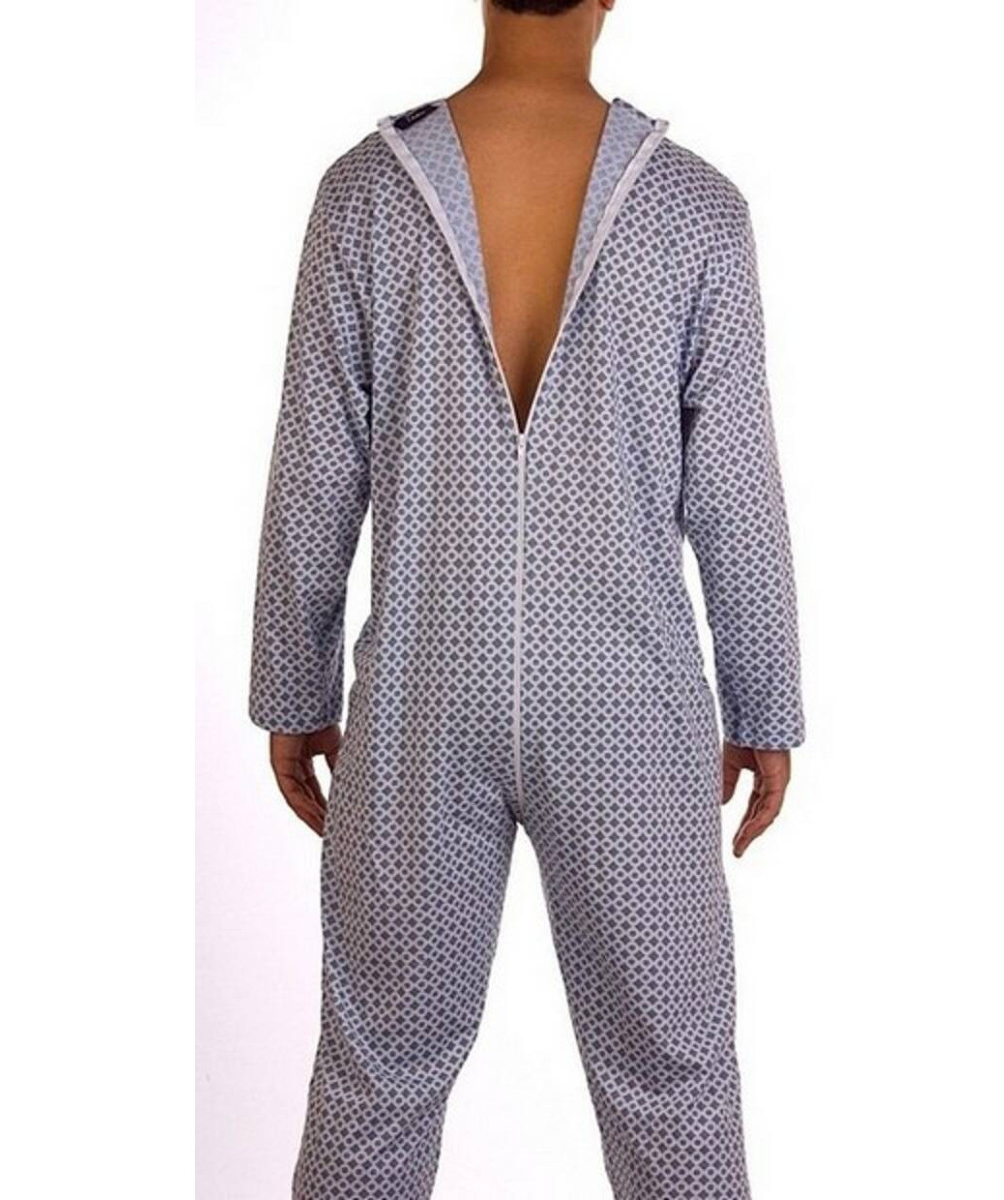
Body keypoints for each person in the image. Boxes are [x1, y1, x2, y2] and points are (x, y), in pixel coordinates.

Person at [249, 0, 805, 1195]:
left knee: (376, 1078)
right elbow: (737, 491)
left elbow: (313, 473)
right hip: (626, 709)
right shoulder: (696, 212)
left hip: (418, 696)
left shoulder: (364, 198)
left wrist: (292, 690)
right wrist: (765, 706)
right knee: (674, 1084)